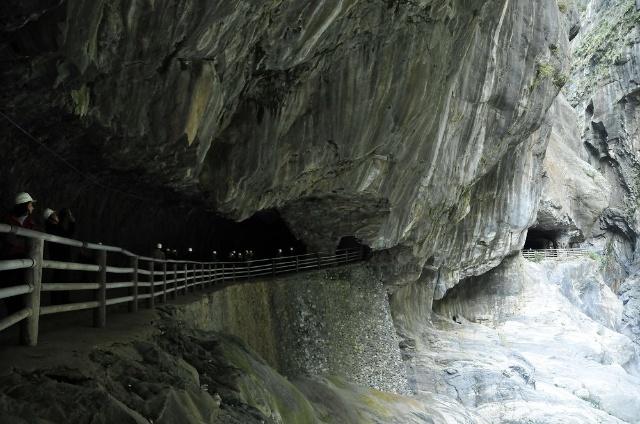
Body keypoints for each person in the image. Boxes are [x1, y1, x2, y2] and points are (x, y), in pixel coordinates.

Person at [0, 192, 38, 316]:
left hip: (26, 259)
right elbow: (8, 240)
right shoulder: (7, 220)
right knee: (10, 286)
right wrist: (26, 244)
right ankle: (13, 314)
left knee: (25, 286)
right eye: (31, 204)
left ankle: (21, 314)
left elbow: (35, 241)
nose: (32, 207)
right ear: (25, 205)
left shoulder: (30, 222)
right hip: (10, 258)